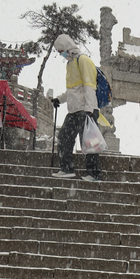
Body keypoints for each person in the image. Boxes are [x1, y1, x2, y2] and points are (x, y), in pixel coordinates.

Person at [52, 33, 102, 181]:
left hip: (86, 109)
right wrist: (59, 100)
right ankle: (66, 168)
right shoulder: (70, 64)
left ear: (66, 46)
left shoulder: (83, 60)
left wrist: (90, 109)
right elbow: (72, 90)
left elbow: (89, 86)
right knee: (63, 138)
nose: (61, 54)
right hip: (73, 110)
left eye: (61, 51)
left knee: (89, 142)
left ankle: (93, 173)